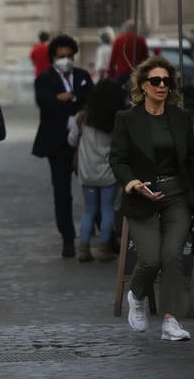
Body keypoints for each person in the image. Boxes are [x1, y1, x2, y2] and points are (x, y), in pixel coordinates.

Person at [109, 56, 194, 341]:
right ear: (143, 86)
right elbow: (117, 160)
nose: (162, 86)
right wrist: (132, 183)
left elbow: (192, 158)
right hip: (142, 197)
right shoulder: (127, 119)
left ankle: (170, 321)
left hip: (177, 195)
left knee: (172, 255)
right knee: (151, 258)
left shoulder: (179, 118)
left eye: (167, 81)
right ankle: (136, 295)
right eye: (156, 81)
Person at [32, 34, 94, 257]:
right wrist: (73, 101)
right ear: (53, 57)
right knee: (62, 191)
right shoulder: (44, 79)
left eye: (69, 56)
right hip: (57, 144)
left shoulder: (82, 75)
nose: (66, 59)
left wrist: (68, 98)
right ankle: (67, 237)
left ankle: (101, 233)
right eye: (61, 56)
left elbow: (91, 99)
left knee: (93, 186)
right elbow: (46, 104)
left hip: (85, 144)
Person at [68, 78, 123, 262]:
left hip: (88, 174)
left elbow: (71, 141)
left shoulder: (83, 118)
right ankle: (104, 249)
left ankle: (83, 249)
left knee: (89, 209)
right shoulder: (118, 120)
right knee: (107, 210)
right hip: (109, 175)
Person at [108, 20, 149, 89]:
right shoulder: (140, 40)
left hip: (122, 74)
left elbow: (112, 62)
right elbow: (146, 59)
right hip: (137, 73)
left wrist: (112, 76)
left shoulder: (118, 40)